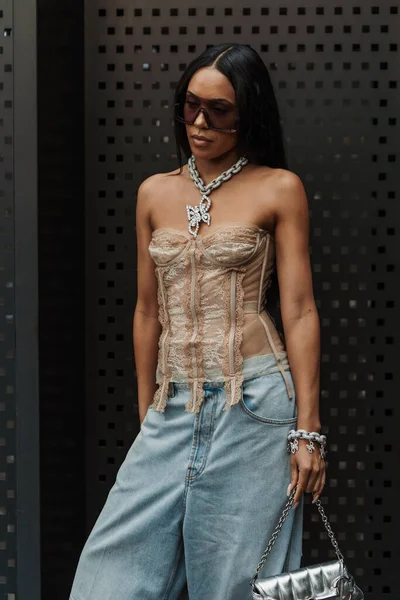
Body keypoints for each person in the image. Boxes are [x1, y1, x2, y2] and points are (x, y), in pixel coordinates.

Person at [69, 42, 326, 600]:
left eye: (219, 110)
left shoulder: (278, 187)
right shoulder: (154, 193)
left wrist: (308, 430)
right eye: (190, 107)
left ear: (248, 113)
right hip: (171, 405)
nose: (200, 122)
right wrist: (147, 413)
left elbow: (300, 310)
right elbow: (146, 310)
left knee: (235, 587)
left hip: (255, 406)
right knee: (103, 586)